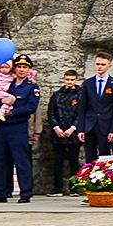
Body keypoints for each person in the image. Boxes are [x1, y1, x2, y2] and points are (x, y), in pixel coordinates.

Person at [0, 54, 39, 203]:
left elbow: (31, 107)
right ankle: (0, 193)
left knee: (21, 161)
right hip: (2, 127)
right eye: (19, 67)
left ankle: (26, 193)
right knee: (0, 161)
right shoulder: (5, 83)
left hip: (18, 126)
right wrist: (2, 101)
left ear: (29, 69)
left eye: (25, 67)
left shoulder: (31, 86)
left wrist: (12, 112)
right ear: (14, 68)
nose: (22, 70)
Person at [78, 52, 113, 164]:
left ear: (109, 65)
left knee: (104, 158)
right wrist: (81, 129)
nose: (100, 67)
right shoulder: (88, 83)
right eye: (97, 64)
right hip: (90, 126)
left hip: (106, 126)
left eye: (102, 64)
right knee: (89, 158)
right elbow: (82, 107)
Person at [45, 68, 81, 196]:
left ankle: (74, 187)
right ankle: (57, 188)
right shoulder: (57, 95)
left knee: (74, 161)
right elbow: (51, 112)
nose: (69, 82)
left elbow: (81, 113)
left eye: (72, 80)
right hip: (58, 133)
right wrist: (56, 127)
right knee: (57, 161)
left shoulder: (80, 94)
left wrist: (73, 128)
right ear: (63, 79)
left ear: (76, 80)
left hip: (74, 133)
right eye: (67, 79)